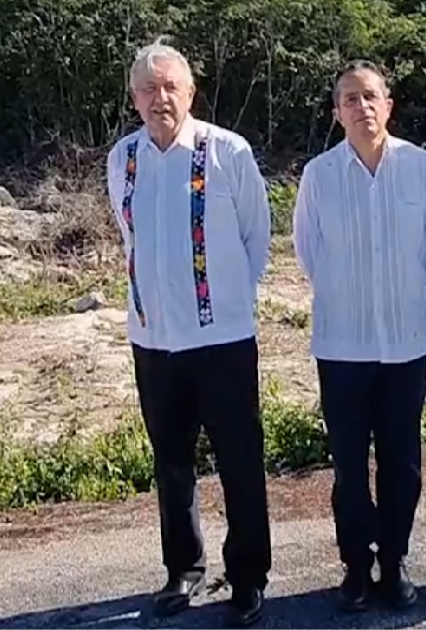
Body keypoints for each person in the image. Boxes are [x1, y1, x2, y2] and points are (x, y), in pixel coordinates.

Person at [105, 40, 272, 628]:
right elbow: (131, 244)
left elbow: (257, 239)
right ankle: (183, 568)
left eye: (169, 86)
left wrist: (220, 305)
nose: (160, 98)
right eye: (147, 89)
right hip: (153, 341)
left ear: (190, 91)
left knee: (239, 461)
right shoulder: (121, 159)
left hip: (222, 340)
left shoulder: (226, 151)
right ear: (133, 97)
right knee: (172, 460)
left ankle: (249, 576)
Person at [291, 60, 426, 612]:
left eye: (371, 97)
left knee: (402, 460)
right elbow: (308, 252)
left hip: (405, 341)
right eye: (350, 100)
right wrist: (349, 295)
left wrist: (396, 293)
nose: (362, 108)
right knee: (349, 464)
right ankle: (356, 566)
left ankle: (395, 560)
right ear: (337, 114)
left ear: (389, 105)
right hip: (343, 346)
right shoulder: (319, 175)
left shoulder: (418, 167)